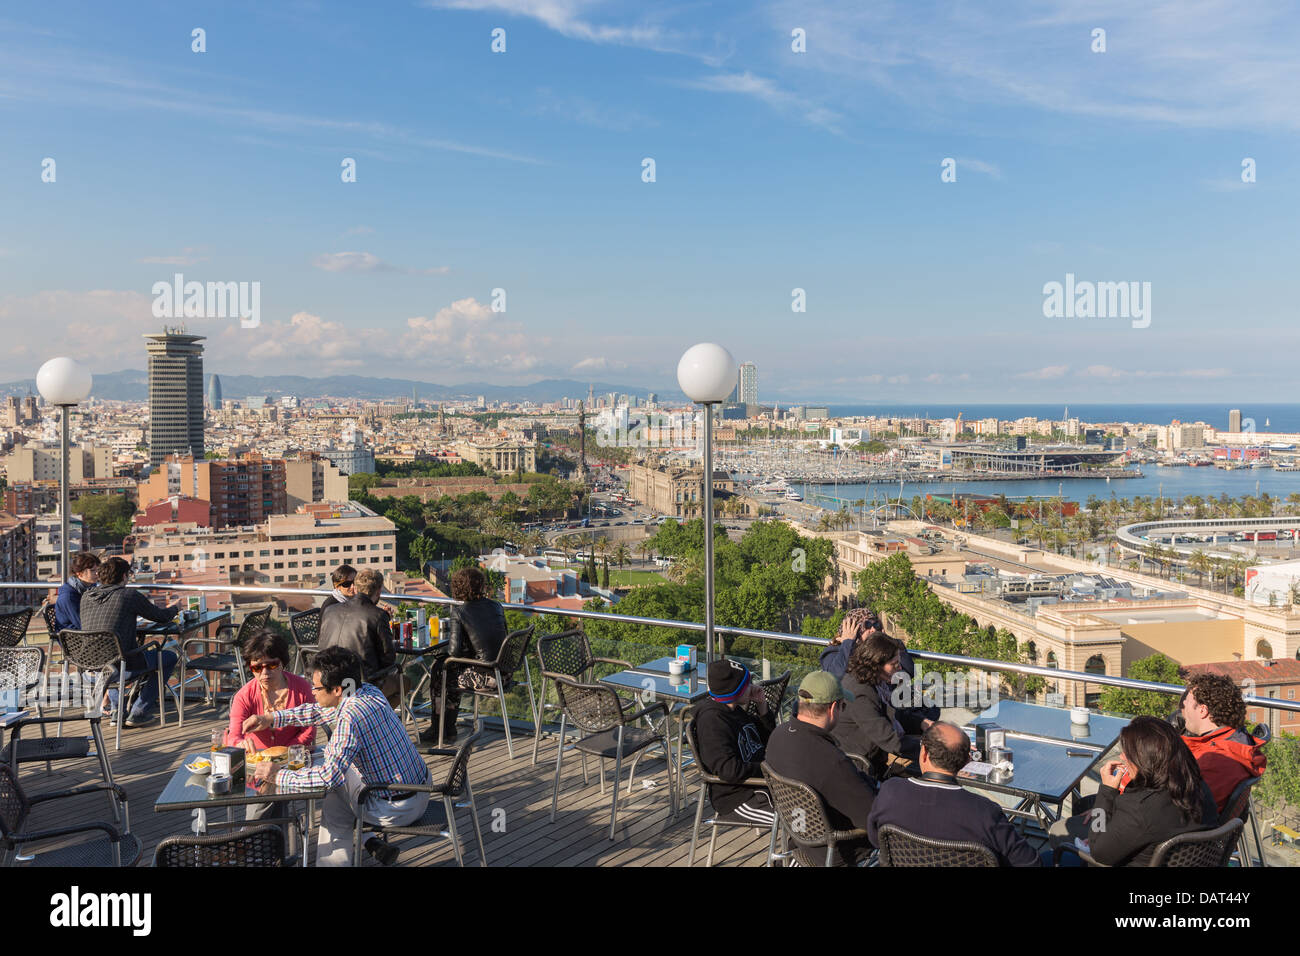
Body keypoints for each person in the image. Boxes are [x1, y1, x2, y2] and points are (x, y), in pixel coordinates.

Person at [242, 646, 431, 867]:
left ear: (339, 689)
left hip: (395, 809)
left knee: (331, 788)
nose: (312, 691)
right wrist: (270, 718)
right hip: (421, 790)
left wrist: (278, 775)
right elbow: (316, 712)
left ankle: (342, 856)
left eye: (316, 688)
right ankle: (367, 844)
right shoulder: (368, 691)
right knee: (330, 768)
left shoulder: (350, 717)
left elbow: (327, 778)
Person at [1048, 716, 1217, 867]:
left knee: (1048, 854)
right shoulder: (1198, 785)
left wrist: (1106, 791)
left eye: (1128, 754)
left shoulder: (1140, 808)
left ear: (1145, 760)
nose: (1122, 757)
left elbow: (1098, 851)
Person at [867, 722, 1039, 866]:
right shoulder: (985, 812)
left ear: (924, 753)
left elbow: (877, 841)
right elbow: (1029, 862)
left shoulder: (890, 793)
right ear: (966, 762)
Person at [764, 671, 876, 866]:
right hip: (838, 851)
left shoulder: (778, 735)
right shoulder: (831, 760)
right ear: (833, 708)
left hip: (800, 838)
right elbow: (871, 818)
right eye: (843, 706)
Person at [225, 628, 316, 824]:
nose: (264, 673)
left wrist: (284, 753)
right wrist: (242, 744)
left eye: (272, 665)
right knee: (267, 789)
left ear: (282, 662)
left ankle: (253, 838)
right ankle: (272, 839)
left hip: (295, 758)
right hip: (257, 764)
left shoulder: (301, 688)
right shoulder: (245, 695)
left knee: (268, 792)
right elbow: (234, 735)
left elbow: (309, 730)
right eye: (257, 668)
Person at [78, 556, 179, 727]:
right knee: (168, 657)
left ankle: (118, 710)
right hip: (124, 662)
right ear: (124, 576)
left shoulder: (86, 596)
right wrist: (176, 608)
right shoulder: (128, 595)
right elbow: (160, 617)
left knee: (112, 659)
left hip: (93, 663)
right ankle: (138, 712)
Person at [423, 566, 507, 743]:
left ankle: (438, 729)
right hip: (504, 673)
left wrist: (441, 656)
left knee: (441, 671)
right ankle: (448, 728)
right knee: (451, 671)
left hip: (485, 678)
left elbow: (454, 653)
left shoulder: (460, 612)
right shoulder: (496, 606)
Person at [689, 659, 776, 826]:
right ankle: (798, 851)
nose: (751, 687)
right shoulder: (713, 722)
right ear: (734, 691)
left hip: (763, 784)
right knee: (797, 821)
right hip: (739, 798)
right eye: (747, 684)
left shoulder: (734, 710)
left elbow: (768, 740)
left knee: (812, 807)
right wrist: (768, 768)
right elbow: (729, 770)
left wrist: (762, 708)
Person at [835, 633, 934, 779]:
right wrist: (935, 748)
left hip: (877, 751)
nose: (900, 668)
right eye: (894, 664)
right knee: (934, 769)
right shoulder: (860, 692)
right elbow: (891, 741)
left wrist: (922, 722)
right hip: (861, 765)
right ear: (876, 663)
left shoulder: (876, 682)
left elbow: (893, 714)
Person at [1179, 673, 1267, 814]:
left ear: (1203, 710)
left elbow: (1178, 808)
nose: (1182, 707)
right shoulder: (1238, 743)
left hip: (1188, 828)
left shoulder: (1213, 760)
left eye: (1187, 702)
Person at [318, 568, 399, 706]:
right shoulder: (378, 615)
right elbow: (389, 659)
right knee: (403, 682)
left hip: (329, 684)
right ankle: (372, 721)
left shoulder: (329, 610)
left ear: (355, 587)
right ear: (379, 591)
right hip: (360, 686)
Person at [818, 608, 881, 680]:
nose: (874, 630)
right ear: (854, 628)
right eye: (868, 625)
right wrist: (848, 642)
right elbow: (835, 675)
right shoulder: (833, 652)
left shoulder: (871, 651)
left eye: (876, 625)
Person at [54, 551, 100, 632]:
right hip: (73, 638)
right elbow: (81, 624)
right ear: (80, 574)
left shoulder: (90, 588)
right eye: (92, 570)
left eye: (98, 570)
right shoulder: (68, 596)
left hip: (86, 633)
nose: (97, 573)